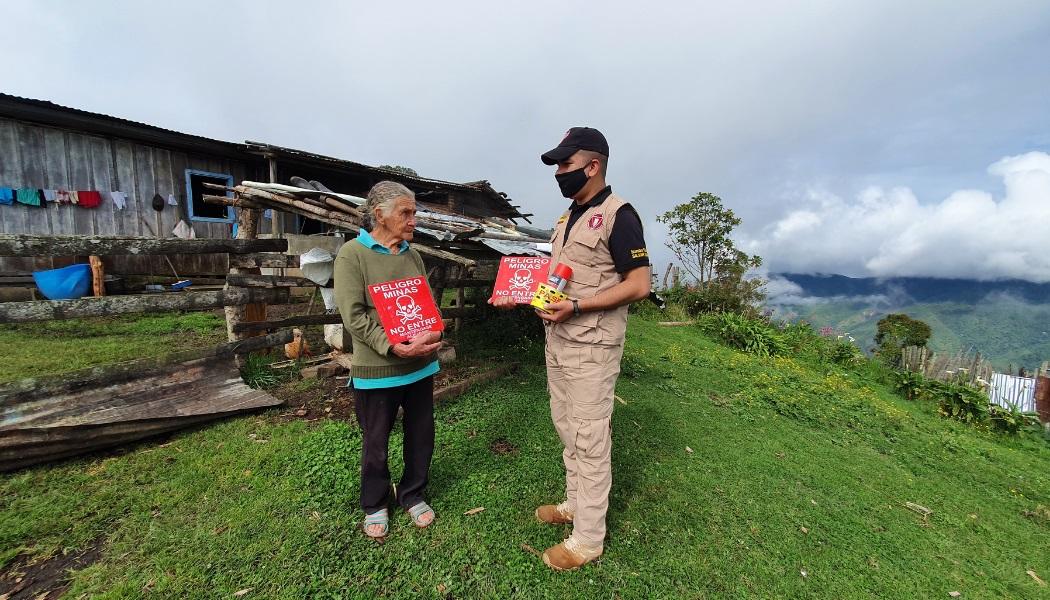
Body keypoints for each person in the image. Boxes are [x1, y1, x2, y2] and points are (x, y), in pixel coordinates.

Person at [491, 127, 651, 570]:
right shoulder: (566, 219)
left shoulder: (620, 215)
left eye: (565, 164)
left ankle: (588, 539)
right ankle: (575, 503)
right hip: (558, 341)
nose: (559, 172)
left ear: (593, 165)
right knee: (566, 426)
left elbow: (639, 284)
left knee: (590, 437)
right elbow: (556, 278)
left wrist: (578, 305)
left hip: (593, 348)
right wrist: (520, 295)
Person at [334, 180, 443, 539]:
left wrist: (434, 331)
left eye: (414, 213)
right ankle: (375, 501)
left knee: (421, 433)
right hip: (379, 367)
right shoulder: (353, 254)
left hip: (420, 364)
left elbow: (425, 304)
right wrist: (393, 345)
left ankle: (412, 493)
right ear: (379, 215)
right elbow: (354, 316)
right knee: (376, 440)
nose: (413, 220)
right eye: (406, 213)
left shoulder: (411, 255)